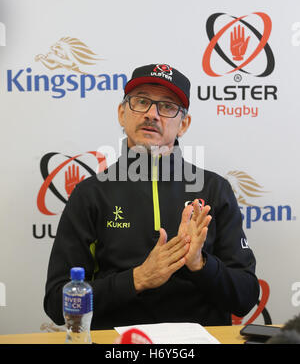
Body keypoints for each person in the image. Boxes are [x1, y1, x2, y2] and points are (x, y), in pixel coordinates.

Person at [44, 63, 259, 329]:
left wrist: (200, 264)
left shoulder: (215, 189)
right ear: (122, 113)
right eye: (141, 102)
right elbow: (57, 302)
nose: (152, 114)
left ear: (184, 124)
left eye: (167, 107)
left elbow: (246, 297)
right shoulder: (90, 194)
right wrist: (136, 279)